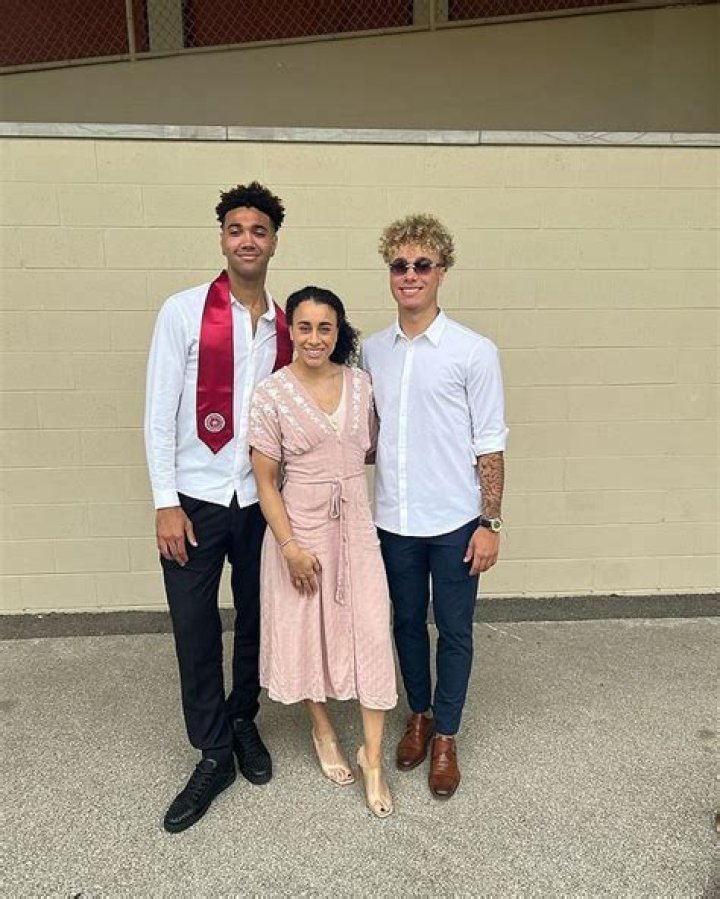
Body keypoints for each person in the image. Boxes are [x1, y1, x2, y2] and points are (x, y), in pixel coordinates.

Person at [144, 181, 293, 833]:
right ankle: (212, 752)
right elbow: (158, 414)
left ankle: (241, 718)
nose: (247, 240)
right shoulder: (182, 312)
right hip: (195, 500)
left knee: (258, 618)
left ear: (274, 242)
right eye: (236, 229)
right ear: (223, 238)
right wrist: (164, 502)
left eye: (259, 230)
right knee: (195, 624)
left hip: (260, 501)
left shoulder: (287, 326)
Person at [361, 214, 508, 800]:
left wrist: (490, 522)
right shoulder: (373, 351)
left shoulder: (474, 351)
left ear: (442, 271)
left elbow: (489, 443)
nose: (410, 274)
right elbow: (368, 436)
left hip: (454, 522)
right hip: (394, 520)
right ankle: (418, 715)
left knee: (453, 629)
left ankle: (446, 735)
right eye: (400, 265)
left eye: (422, 264)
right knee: (404, 623)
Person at [249, 286, 397, 818]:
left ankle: (372, 758)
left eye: (325, 327)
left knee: (372, 632)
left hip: (356, 526)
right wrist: (289, 547)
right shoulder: (271, 394)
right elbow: (265, 481)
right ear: (290, 329)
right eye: (305, 327)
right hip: (300, 530)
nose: (315, 338)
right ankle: (322, 729)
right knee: (306, 632)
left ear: (338, 332)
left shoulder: (361, 385)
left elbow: (371, 449)